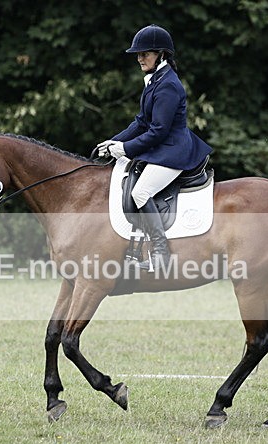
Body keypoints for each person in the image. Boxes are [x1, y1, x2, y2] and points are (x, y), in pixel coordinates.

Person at [97, 24, 212, 271]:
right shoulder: (155, 80)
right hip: (162, 147)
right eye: (138, 54)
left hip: (173, 151)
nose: (139, 58)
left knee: (140, 192)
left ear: (161, 54)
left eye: (145, 53)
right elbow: (141, 122)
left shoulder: (168, 85)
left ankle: (160, 253)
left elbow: (158, 130)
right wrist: (113, 141)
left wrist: (126, 149)